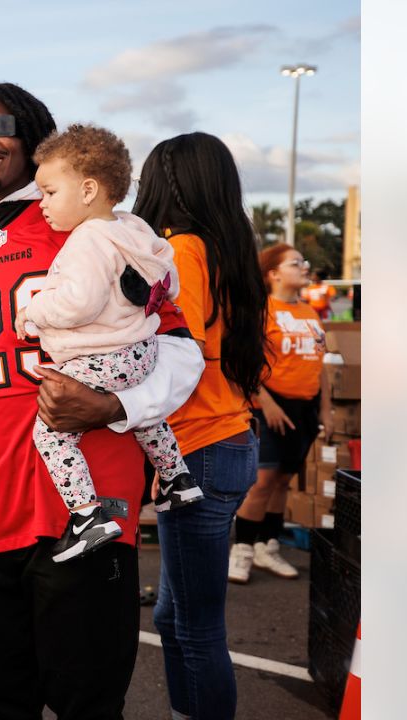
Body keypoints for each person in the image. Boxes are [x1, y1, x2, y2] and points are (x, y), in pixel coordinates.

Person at [0, 83, 204, 719]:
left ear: (35, 137)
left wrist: (116, 407)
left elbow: (181, 349)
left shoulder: (92, 231)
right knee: (1, 704)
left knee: (90, 704)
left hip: (89, 509)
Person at [16, 124, 203, 563]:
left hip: (104, 357)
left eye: (48, 192)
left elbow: (79, 303)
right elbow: (168, 281)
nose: (41, 203)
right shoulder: (131, 228)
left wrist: (33, 313)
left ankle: (86, 516)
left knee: (52, 436)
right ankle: (177, 479)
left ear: (86, 190)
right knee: (147, 420)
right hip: (142, 353)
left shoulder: (87, 240)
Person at [133, 131, 268, 720]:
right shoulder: (229, 248)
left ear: (171, 183)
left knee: (195, 626)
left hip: (199, 447)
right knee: (175, 615)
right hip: (227, 440)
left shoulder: (182, 249)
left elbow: (172, 358)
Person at [229, 245, 331, 583]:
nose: (304, 267)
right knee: (263, 481)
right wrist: (267, 402)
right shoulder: (261, 310)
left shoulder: (310, 313)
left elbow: (321, 365)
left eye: (303, 261)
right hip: (269, 406)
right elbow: (244, 362)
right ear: (273, 273)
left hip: (305, 408)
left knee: (284, 480)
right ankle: (241, 550)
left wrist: (326, 411)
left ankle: (266, 546)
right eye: (295, 262)